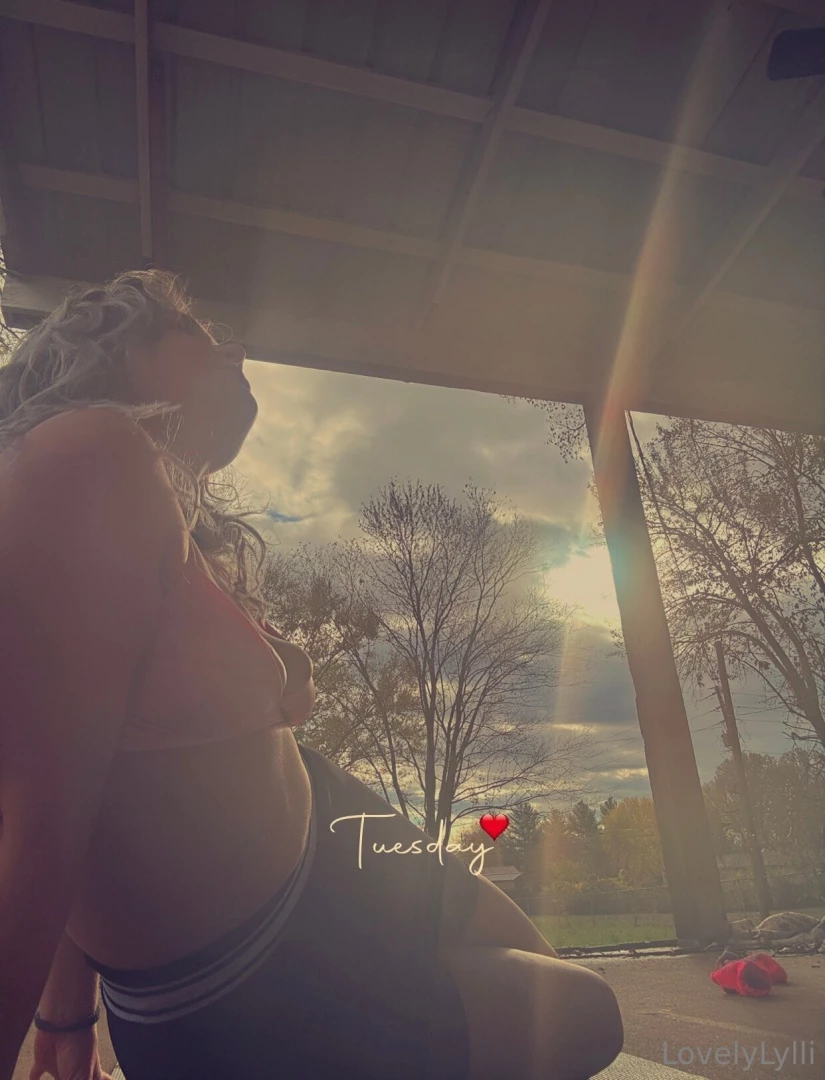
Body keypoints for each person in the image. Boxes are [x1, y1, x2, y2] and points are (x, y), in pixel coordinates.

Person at [0, 270, 623, 1080]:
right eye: (195, 325)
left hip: (336, 832)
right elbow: (38, 815)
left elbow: (81, 774)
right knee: (587, 1014)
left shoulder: (171, 510)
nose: (233, 349)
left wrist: (68, 1014)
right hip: (248, 981)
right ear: (112, 347)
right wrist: (58, 1014)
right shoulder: (81, 453)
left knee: (551, 977)